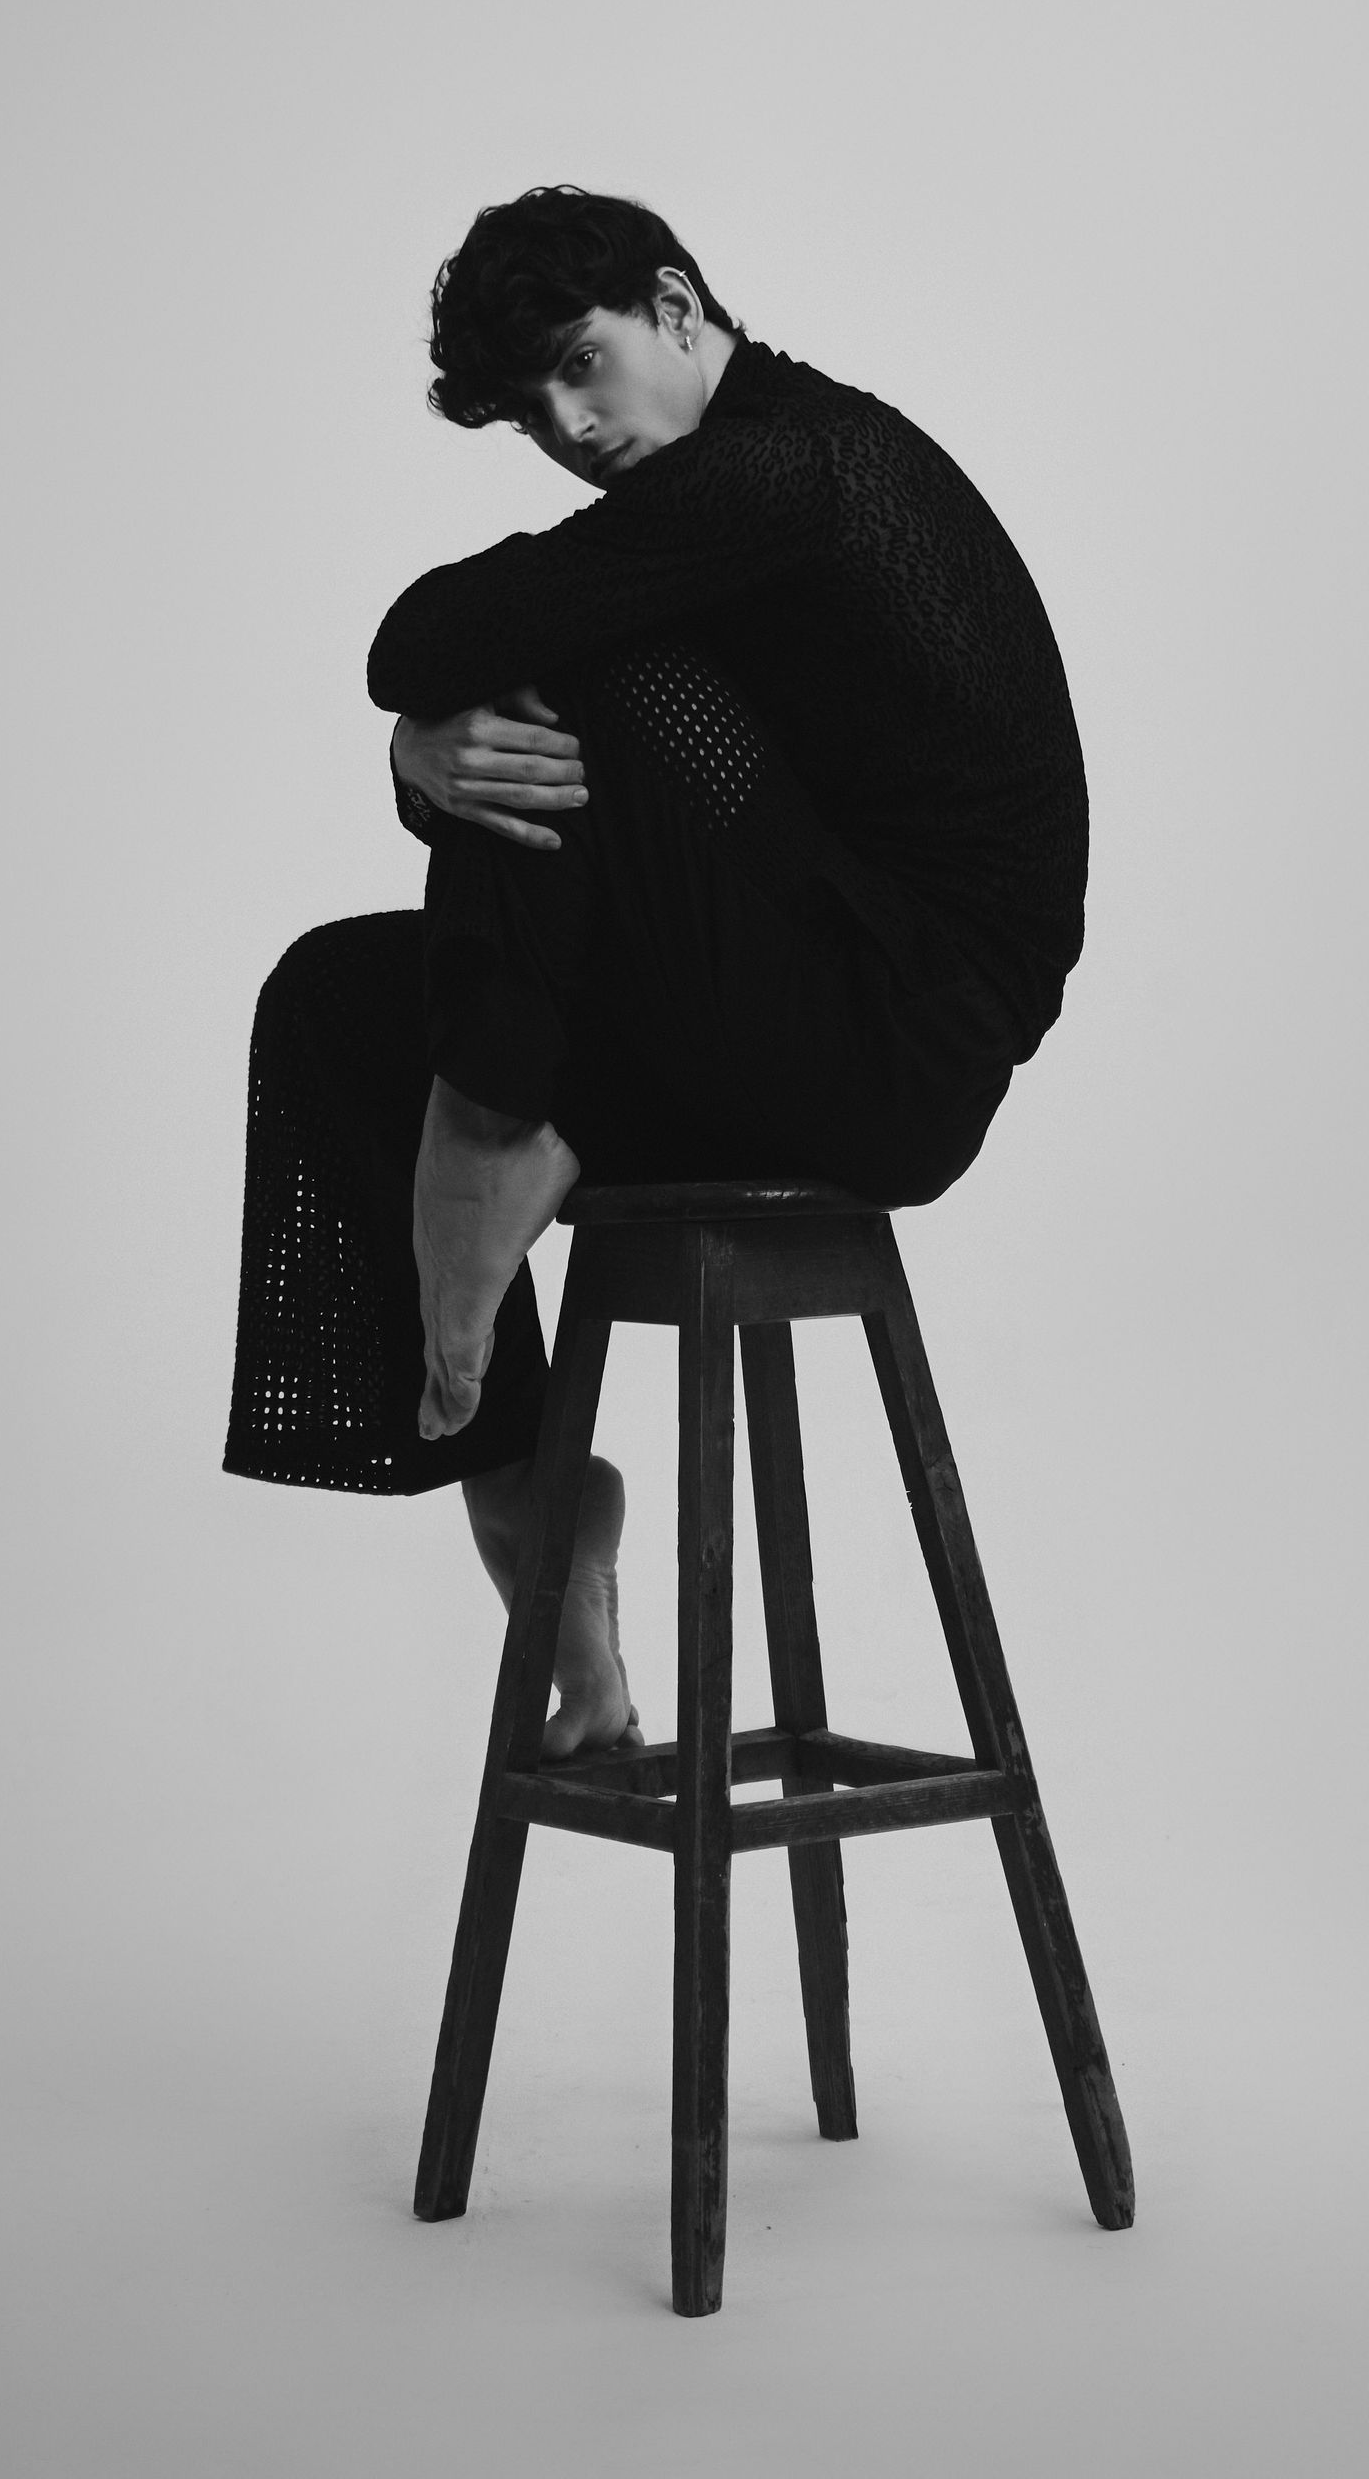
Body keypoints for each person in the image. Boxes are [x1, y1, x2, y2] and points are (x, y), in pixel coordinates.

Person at [225, 186, 1088, 1761]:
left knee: (579, 649)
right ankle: (547, 1543)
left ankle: (490, 1137)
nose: (569, 426)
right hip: (756, 992)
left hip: (896, 1037)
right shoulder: (708, 499)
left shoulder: (794, 468)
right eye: (530, 412)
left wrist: (429, 718)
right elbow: (434, 663)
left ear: (678, 308)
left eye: (583, 365)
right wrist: (428, 763)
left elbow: (430, 636)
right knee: (337, 1000)